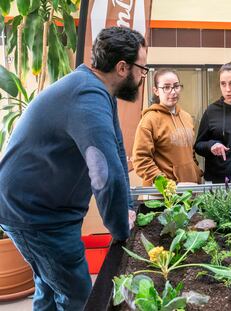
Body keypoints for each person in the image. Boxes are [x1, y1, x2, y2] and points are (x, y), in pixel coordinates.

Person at [0, 26, 147, 310]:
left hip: (36, 209)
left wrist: (125, 207)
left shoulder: (96, 90)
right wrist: (120, 229)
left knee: (50, 286)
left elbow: (116, 151)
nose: (143, 76)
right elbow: (104, 173)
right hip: (36, 217)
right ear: (121, 67)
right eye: (142, 68)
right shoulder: (87, 97)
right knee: (80, 297)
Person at [132, 68, 202, 186]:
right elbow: (140, 160)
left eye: (176, 86)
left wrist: (196, 173)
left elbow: (191, 153)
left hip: (190, 190)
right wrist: (166, 184)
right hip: (163, 195)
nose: (173, 91)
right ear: (156, 91)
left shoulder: (187, 117)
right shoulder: (149, 120)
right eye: (166, 87)